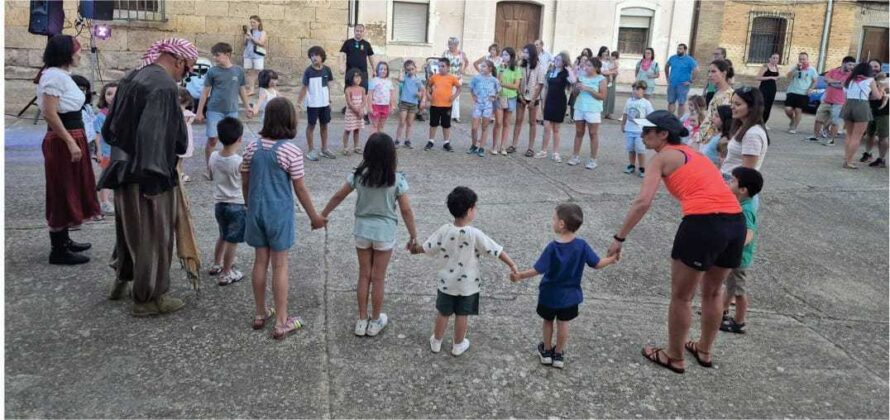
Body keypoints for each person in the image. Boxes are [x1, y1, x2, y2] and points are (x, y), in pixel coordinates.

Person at [607, 110, 746, 373]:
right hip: (735, 222)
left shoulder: (660, 158)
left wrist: (619, 237)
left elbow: (642, 202)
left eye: (648, 131)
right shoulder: (697, 154)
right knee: (714, 291)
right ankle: (704, 350)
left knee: (681, 297)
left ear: (663, 134)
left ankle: (674, 356)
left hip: (703, 224)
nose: (643, 135)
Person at [98, 38, 199, 314]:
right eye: (187, 69)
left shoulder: (133, 76)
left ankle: (122, 280)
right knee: (153, 236)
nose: (185, 75)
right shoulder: (164, 85)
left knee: (129, 230)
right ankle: (149, 297)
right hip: (148, 175)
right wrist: (156, 178)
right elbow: (156, 136)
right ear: (178, 61)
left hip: (122, 170)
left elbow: (109, 129)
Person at [242, 97, 325, 339]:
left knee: (260, 262)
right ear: (290, 121)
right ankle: (281, 321)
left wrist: (248, 204)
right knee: (280, 265)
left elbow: (245, 180)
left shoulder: (251, 147)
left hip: (255, 211)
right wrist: (315, 217)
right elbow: (300, 188)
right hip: (278, 214)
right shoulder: (291, 151)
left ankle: (260, 313)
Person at [321, 133, 419, 337]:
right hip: (384, 233)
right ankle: (375, 321)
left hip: (362, 231)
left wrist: (323, 214)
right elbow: (406, 211)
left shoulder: (358, 176)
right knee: (378, 277)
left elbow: (339, 195)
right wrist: (413, 235)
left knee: (364, 275)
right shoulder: (396, 179)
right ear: (391, 155)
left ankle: (361, 319)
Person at [410, 186, 518, 356]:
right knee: (462, 314)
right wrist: (512, 264)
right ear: (469, 211)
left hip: (446, 284)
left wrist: (414, 249)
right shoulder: (475, 234)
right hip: (468, 286)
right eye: (475, 207)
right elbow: (496, 250)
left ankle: (437, 341)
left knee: (443, 313)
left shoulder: (444, 230)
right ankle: (458, 344)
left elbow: (427, 247)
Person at [510, 203, 617, 369]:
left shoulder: (553, 248)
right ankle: (558, 354)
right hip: (570, 297)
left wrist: (520, 276)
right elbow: (596, 264)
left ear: (561, 224)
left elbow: (538, 269)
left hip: (549, 295)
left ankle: (546, 352)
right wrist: (611, 259)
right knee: (563, 323)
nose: (552, 221)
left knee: (547, 321)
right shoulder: (582, 245)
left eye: (554, 219)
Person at [36, 34, 100, 265]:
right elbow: (50, 113)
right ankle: (58, 249)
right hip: (63, 140)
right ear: (66, 53)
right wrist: (70, 142)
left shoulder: (61, 75)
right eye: (77, 50)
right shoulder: (53, 76)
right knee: (61, 189)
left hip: (73, 135)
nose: (80, 54)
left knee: (70, 187)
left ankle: (64, 239)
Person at [197, 42, 253, 180]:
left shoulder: (238, 71)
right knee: (212, 140)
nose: (214, 58)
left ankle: (229, 169)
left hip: (232, 111)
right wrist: (199, 112)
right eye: (214, 56)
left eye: (217, 55)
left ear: (227, 55)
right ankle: (210, 170)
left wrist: (247, 107)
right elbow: (205, 93)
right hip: (214, 110)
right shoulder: (212, 71)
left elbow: (241, 90)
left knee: (232, 140)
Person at [720, 167, 764, 334]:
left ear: (743, 190)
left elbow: (749, 233)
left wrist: (734, 247)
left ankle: (739, 322)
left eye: (732, 181)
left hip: (739, 258)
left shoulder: (746, 209)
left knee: (739, 290)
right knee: (730, 286)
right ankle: (722, 310)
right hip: (735, 257)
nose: (729, 182)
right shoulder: (741, 203)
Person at [208, 117, 247, 285]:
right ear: (239, 139)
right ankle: (227, 272)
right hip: (237, 204)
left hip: (219, 203)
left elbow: (210, 175)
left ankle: (216, 264)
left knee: (222, 234)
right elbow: (246, 183)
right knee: (233, 240)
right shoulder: (239, 162)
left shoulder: (214, 156)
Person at [841, 62, 884, 169]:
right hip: (862, 105)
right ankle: (849, 161)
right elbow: (877, 97)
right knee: (857, 136)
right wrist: (881, 89)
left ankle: (846, 158)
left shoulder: (849, 80)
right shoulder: (870, 80)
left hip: (848, 105)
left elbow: (845, 94)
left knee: (849, 135)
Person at [297, 46, 336, 161]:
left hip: (324, 104)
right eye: (312, 55)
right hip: (313, 104)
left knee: (324, 125)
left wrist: (329, 100)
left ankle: (324, 149)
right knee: (311, 126)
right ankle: (311, 150)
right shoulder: (308, 71)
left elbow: (328, 86)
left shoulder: (327, 70)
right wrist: (298, 103)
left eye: (316, 55)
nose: (314, 57)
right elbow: (304, 87)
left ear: (322, 56)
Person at [568, 57, 607, 169]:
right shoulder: (581, 77)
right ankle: (575, 156)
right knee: (579, 132)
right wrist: (576, 89)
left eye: (589, 65)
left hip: (593, 109)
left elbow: (602, 96)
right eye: (586, 65)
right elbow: (574, 94)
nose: (586, 67)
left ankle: (593, 159)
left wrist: (588, 89)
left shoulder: (601, 79)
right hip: (580, 107)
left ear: (596, 67)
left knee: (593, 133)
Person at [809, 56, 855, 145]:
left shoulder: (851, 76)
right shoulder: (833, 71)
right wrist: (837, 82)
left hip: (839, 102)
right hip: (826, 100)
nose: (851, 67)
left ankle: (831, 140)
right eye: (849, 64)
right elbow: (826, 79)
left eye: (853, 65)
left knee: (835, 122)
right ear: (843, 63)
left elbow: (843, 85)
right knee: (818, 119)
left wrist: (832, 83)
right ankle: (815, 136)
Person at [511, 44, 547, 157]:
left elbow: (540, 84)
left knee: (532, 122)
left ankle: (530, 148)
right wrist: (519, 94)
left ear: (532, 53)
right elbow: (517, 80)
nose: (524, 54)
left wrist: (533, 100)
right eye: (524, 52)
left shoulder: (539, 67)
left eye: (526, 52)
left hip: (533, 97)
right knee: (518, 120)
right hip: (521, 95)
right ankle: (513, 145)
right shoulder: (521, 65)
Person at [540, 51, 576, 162]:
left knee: (556, 129)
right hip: (549, 100)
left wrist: (569, 69)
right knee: (546, 127)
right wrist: (543, 101)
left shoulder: (565, 73)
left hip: (559, 102)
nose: (556, 61)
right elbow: (546, 87)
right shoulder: (551, 72)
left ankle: (556, 152)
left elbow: (573, 81)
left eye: (559, 60)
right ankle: (543, 151)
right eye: (555, 59)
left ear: (564, 61)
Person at [339, 24, 375, 122]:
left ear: (363, 32)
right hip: (350, 72)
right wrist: (341, 66)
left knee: (364, 92)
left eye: (361, 31)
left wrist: (374, 69)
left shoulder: (366, 44)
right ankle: (349, 112)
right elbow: (342, 54)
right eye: (357, 31)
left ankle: (365, 114)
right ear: (354, 31)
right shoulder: (348, 43)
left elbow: (371, 57)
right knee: (348, 91)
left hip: (363, 72)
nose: (359, 32)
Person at [425, 57, 461, 152]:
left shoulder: (452, 78)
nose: (440, 68)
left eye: (443, 66)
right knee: (433, 124)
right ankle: (431, 141)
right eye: (439, 66)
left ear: (448, 67)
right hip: (435, 105)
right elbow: (428, 86)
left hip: (447, 106)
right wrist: (428, 94)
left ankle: (446, 142)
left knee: (446, 125)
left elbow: (459, 88)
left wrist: (454, 97)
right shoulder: (434, 77)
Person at [621, 81, 655, 177]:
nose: (635, 91)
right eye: (634, 89)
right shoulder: (629, 101)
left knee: (640, 149)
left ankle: (642, 167)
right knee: (630, 148)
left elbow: (651, 116)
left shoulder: (646, 103)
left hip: (640, 131)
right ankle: (631, 165)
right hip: (629, 129)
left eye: (638, 89)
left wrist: (649, 129)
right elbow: (625, 113)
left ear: (643, 91)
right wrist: (623, 124)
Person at [467, 59, 500, 157]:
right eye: (481, 66)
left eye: (484, 66)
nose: (481, 68)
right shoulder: (476, 78)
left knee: (484, 127)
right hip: (478, 105)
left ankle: (481, 147)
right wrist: (474, 97)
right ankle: (474, 145)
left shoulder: (494, 80)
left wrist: (494, 97)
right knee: (474, 127)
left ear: (490, 69)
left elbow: (498, 90)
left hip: (488, 106)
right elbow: (471, 88)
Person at [94, 81, 118, 215]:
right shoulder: (101, 115)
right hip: (106, 151)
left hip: (119, 150)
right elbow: (97, 134)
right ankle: (104, 201)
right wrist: (98, 151)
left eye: (116, 94)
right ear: (104, 97)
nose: (112, 97)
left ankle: (112, 200)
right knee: (107, 176)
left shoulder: (122, 113)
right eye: (109, 94)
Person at [699, 60, 735, 143]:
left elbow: (723, 122)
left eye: (713, 71)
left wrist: (710, 140)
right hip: (704, 137)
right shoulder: (718, 92)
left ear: (723, 73)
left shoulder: (729, 95)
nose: (710, 75)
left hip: (711, 140)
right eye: (709, 72)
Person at [862, 60, 889, 167]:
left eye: (876, 66)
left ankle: (882, 159)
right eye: (871, 66)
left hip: (884, 112)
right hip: (870, 110)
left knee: (883, 137)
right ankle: (868, 154)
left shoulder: (886, 79)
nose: (873, 68)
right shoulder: (866, 79)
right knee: (870, 134)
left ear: (881, 67)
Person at [783, 52, 818, 134]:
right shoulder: (795, 67)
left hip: (803, 93)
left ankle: (794, 127)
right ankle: (792, 119)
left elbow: (815, 81)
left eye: (804, 59)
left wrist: (810, 89)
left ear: (807, 59)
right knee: (787, 109)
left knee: (798, 110)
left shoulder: (812, 69)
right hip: (792, 91)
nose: (802, 60)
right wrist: (796, 69)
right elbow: (788, 77)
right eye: (800, 59)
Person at [395, 60, 426, 149]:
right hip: (404, 103)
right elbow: (399, 79)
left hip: (413, 104)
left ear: (415, 69)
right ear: (406, 70)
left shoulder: (418, 80)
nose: (410, 71)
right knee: (402, 122)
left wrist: (420, 96)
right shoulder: (405, 78)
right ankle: (397, 140)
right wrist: (400, 71)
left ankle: (407, 140)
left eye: (412, 69)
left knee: (409, 123)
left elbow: (422, 90)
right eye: (408, 70)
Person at [496, 48, 521, 155]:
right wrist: (501, 70)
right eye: (503, 55)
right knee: (498, 122)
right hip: (501, 97)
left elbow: (516, 86)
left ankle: (503, 146)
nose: (504, 57)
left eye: (506, 55)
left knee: (506, 123)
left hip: (511, 97)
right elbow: (497, 81)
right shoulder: (499, 67)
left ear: (511, 56)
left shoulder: (516, 69)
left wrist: (503, 85)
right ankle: (495, 145)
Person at [665, 43, 698, 117]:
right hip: (672, 83)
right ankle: (670, 117)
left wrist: (690, 81)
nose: (678, 50)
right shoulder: (672, 58)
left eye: (680, 49)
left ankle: (680, 119)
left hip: (683, 85)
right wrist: (667, 77)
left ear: (685, 50)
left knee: (681, 103)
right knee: (671, 101)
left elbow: (696, 70)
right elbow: (667, 66)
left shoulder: (689, 60)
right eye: (678, 48)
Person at [342, 68, 368, 155]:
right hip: (351, 113)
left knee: (357, 129)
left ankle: (356, 146)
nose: (358, 79)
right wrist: (357, 111)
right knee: (348, 130)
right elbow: (349, 103)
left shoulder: (362, 89)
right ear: (350, 78)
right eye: (356, 77)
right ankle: (345, 147)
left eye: (359, 77)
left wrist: (361, 109)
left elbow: (364, 101)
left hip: (359, 113)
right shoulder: (348, 90)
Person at [443, 37, 468, 123]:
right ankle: (446, 114)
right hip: (447, 77)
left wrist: (463, 69)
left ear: (456, 45)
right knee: (447, 95)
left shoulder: (461, 53)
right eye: (449, 44)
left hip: (458, 77)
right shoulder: (445, 53)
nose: (450, 46)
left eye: (452, 44)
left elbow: (467, 62)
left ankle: (456, 116)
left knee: (456, 96)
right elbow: (441, 63)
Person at [242, 15, 268, 96]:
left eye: (254, 22)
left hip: (258, 55)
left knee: (259, 72)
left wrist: (252, 37)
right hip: (248, 54)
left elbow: (261, 43)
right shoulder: (249, 31)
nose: (252, 24)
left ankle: (262, 90)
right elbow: (245, 44)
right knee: (249, 72)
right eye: (251, 22)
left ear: (258, 23)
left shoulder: (262, 32)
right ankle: (251, 90)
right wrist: (246, 38)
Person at [368, 62, 397, 133]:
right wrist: (369, 107)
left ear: (387, 71)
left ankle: (380, 142)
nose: (383, 71)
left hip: (385, 106)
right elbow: (370, 94)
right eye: (381, 69)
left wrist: (392, 106)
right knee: (374, 125)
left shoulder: (389, 82)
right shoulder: (373, 81)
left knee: (381, 126)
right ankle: (373, 142)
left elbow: (392, 95)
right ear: (377, 70)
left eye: (385, 69)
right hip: (375, 105)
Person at [756, 52, 780, 127]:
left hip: (772, 89)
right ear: (770, 58)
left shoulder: (776, 67)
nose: (775, 59)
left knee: (769, 106)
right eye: (773, 58)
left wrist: (777, 78)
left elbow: (777, 76)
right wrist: (770, 77)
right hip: (764, 88)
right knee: (762, 105)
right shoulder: (765, 66)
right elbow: (758, 77)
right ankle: (758, 122)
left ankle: (764, 123)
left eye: (777, 58)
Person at [569, 49, 594, 120]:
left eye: (585, 60)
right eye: (583, 59)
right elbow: (572, 75)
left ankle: (582, 117)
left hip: (584, 87)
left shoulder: (587, 69)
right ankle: (572, 117)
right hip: (576, 86)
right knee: (573, 102)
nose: (584, 61)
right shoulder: (577, 67)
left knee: (583, 102)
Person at [177, 88, 196, 182]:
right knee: (179, 159)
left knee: (177, 158)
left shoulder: (172, 113)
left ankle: (180, 173)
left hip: (175, 138)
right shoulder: (188, 115)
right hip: (184, 138)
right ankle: (179, 174)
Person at [598, 48, 619, 120]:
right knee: (603, 96)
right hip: (603, 79)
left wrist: (614, 74)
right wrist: (612, 72)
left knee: (611, 96)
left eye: (607, 52)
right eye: (605, 51)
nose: (606, 53)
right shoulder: (599, 61)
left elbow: (615, 68)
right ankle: (601, 113)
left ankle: (608, 113)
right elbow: (602, 72)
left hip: (611, 79)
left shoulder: (610, 61)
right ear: (601, 52)